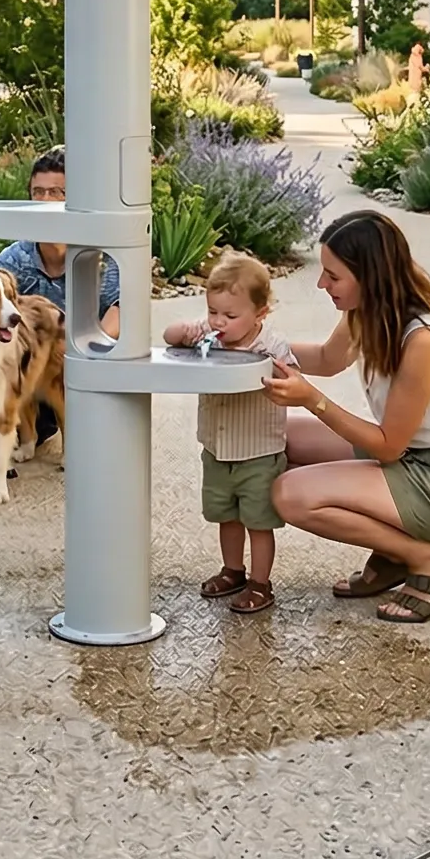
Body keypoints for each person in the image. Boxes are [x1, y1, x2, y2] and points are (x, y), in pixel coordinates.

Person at [262, 209, 430, 625]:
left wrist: (312, 399)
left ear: (370, 276)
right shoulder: (369, 308)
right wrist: (255, 349)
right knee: (274, 437)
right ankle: (393, 552)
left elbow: (389, 444)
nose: (321, 284)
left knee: (290, 494)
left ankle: (427, 557)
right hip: (411, 456)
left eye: (333, 276)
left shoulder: (424, 337)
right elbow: (328, 359)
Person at [160, 253, 290, 615]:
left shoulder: (270, 347)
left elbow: (292, 381)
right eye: (213, 311)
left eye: (230, 316)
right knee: (226, 517)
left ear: (260, 313)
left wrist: (272, 380)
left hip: (258, 452)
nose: (219, 321)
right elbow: (170, 336)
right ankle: (233, 570)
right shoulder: (209, 336)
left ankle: (261, 584)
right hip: (217, 449)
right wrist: (191, 331)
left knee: (259, 523)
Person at [0, 148, 120, 448]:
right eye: (38, 192)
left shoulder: (103, 255)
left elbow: (121, 311)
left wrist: (77, 348)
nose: (45, 201)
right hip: (33, 367)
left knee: (97, 445)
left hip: (88, 365)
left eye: (57, 192)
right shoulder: (16, 257)